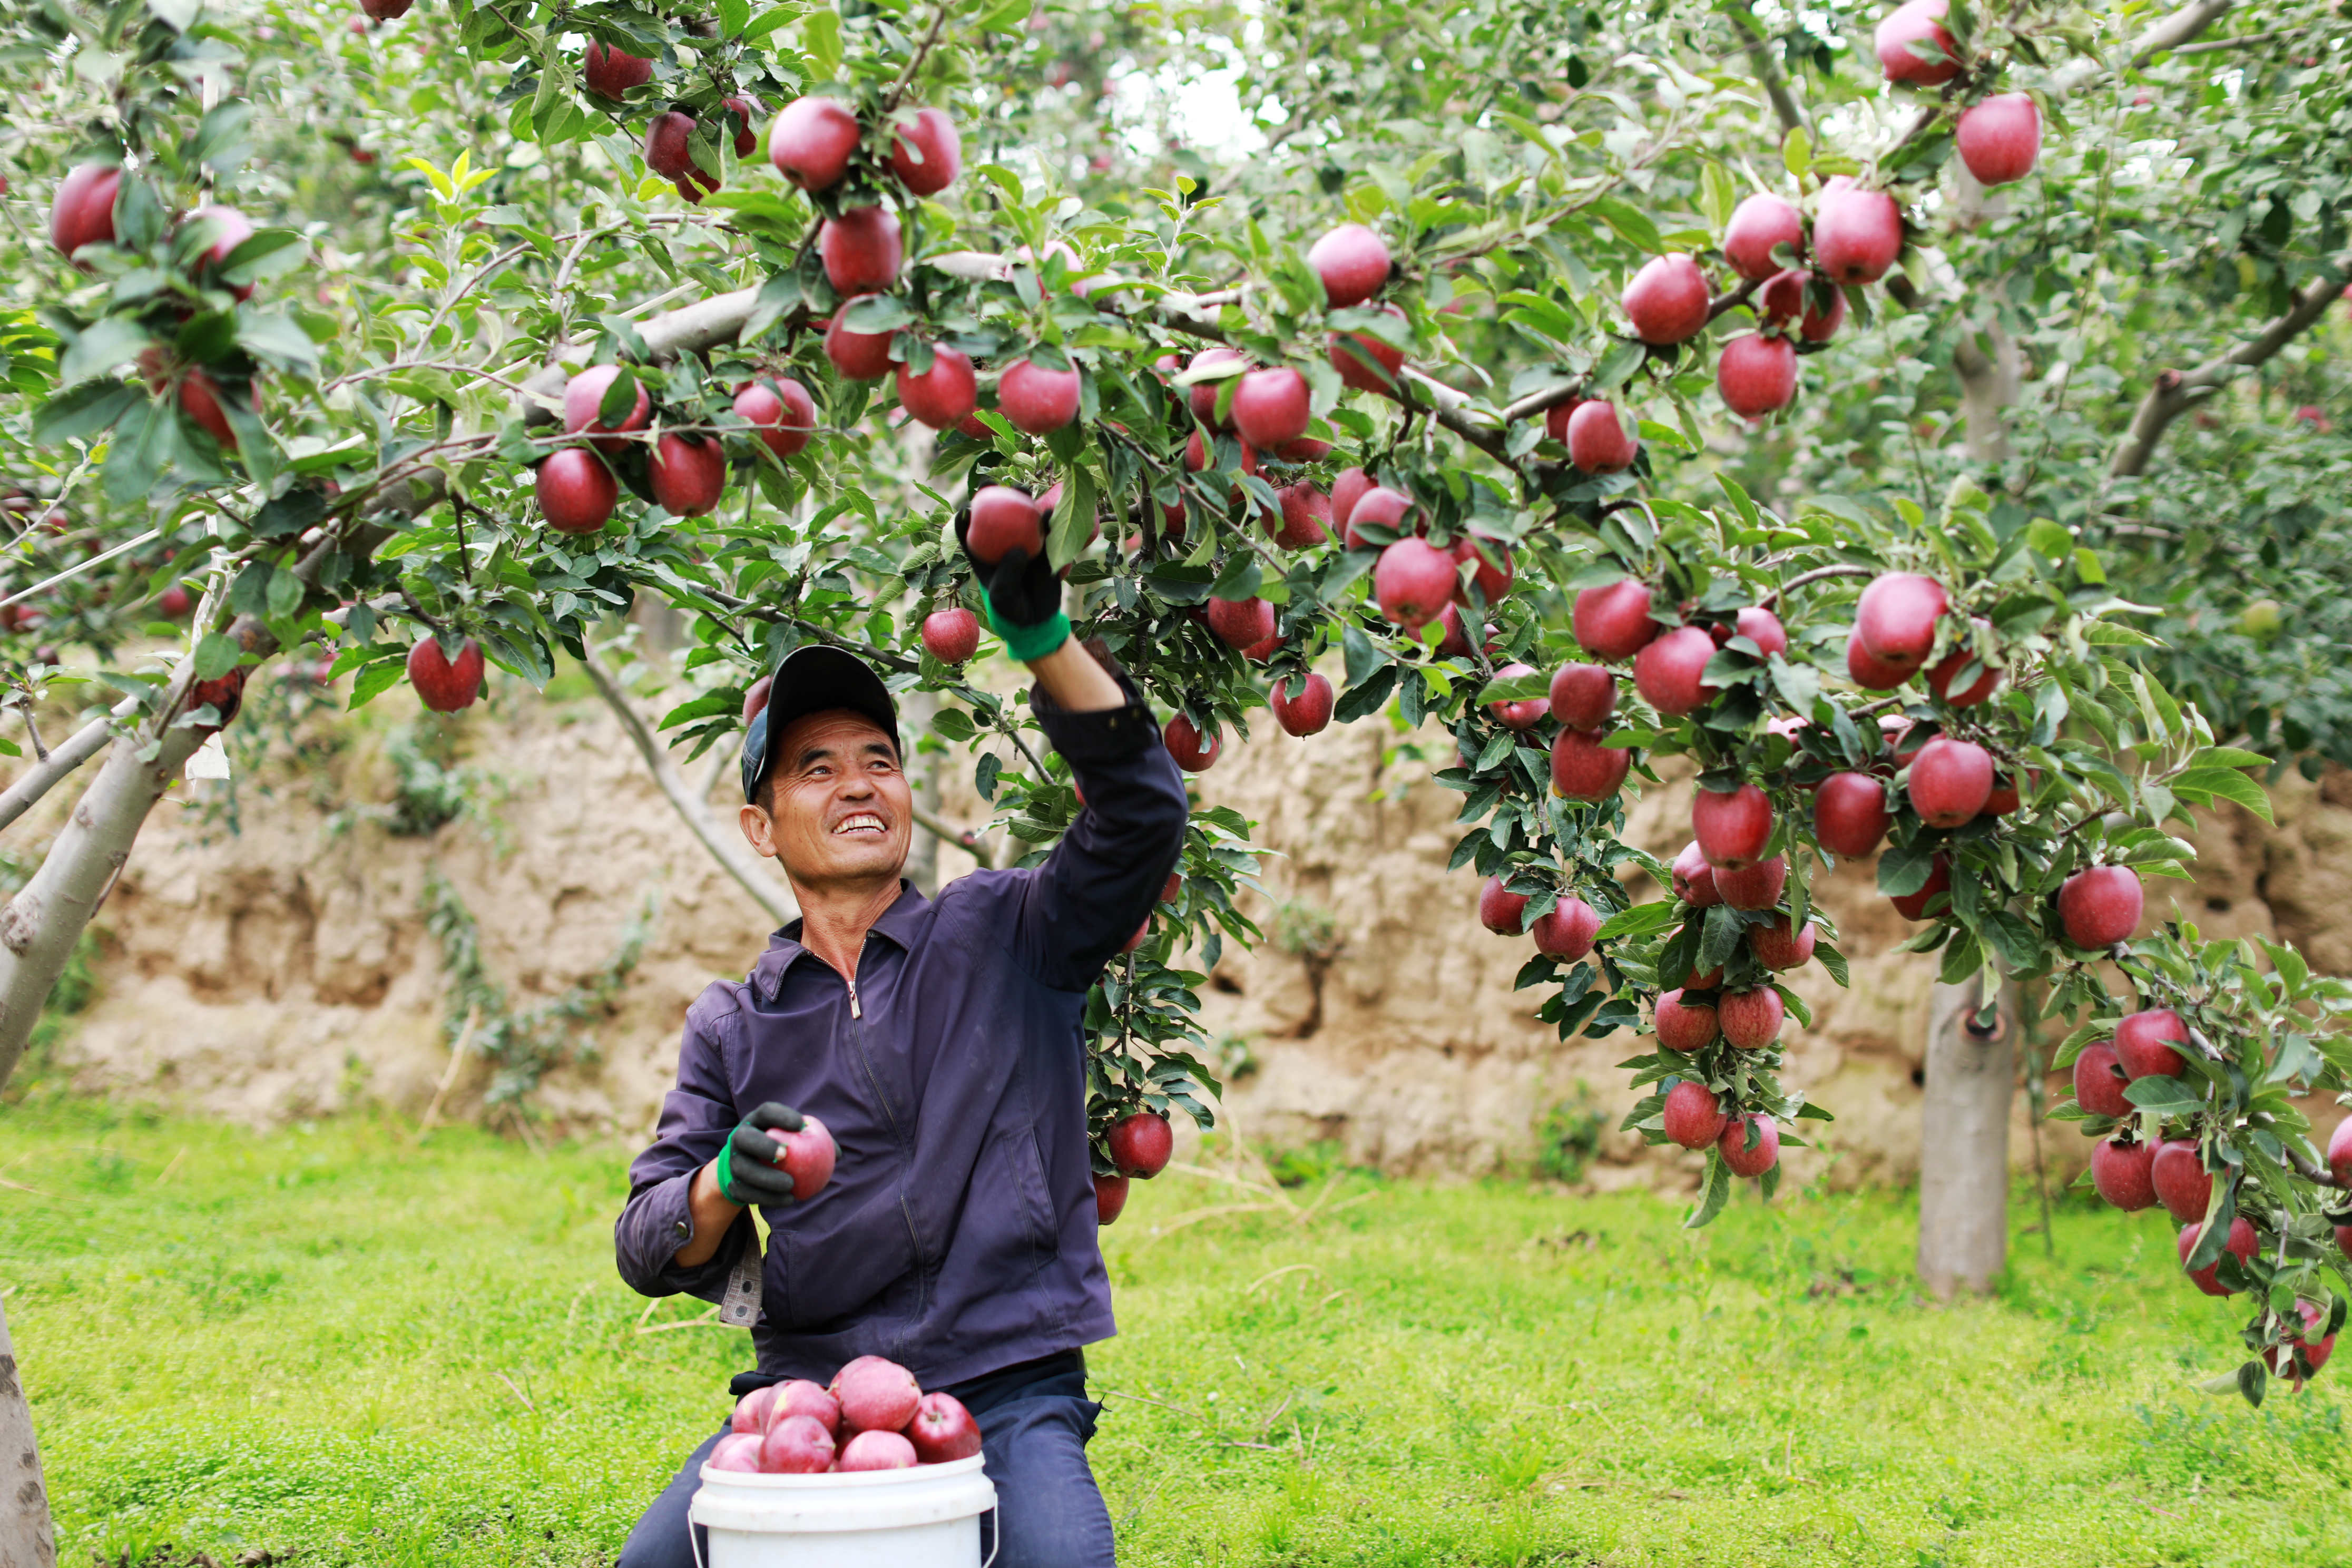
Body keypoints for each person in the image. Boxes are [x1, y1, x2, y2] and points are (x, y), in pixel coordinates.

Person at [612, 521, 1187, 1568]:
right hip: (817, 1389)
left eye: (879, 760)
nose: (859, 784)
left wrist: (1039, 633)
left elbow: (1143, 818)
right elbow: (648, 1244)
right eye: (816, 768)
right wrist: (723, 1182)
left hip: (1010, 1379)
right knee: (657, 1562)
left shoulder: (1008, 932)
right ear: (760, 825)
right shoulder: (735, 1024)